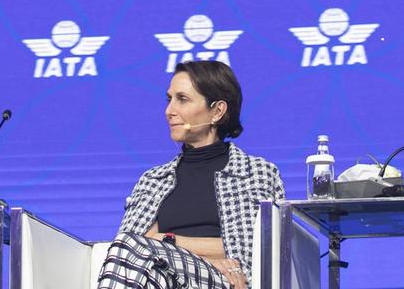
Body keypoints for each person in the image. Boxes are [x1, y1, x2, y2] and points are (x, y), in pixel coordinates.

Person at [97, 61, 285, 289]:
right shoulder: (154, 180)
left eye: (182, 99)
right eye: (169, 99)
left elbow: (254, 248)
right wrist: (210, 258)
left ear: (217, 111)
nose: (169, 111)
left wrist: (168, 240)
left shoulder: (256, 173)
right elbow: (128, 247)